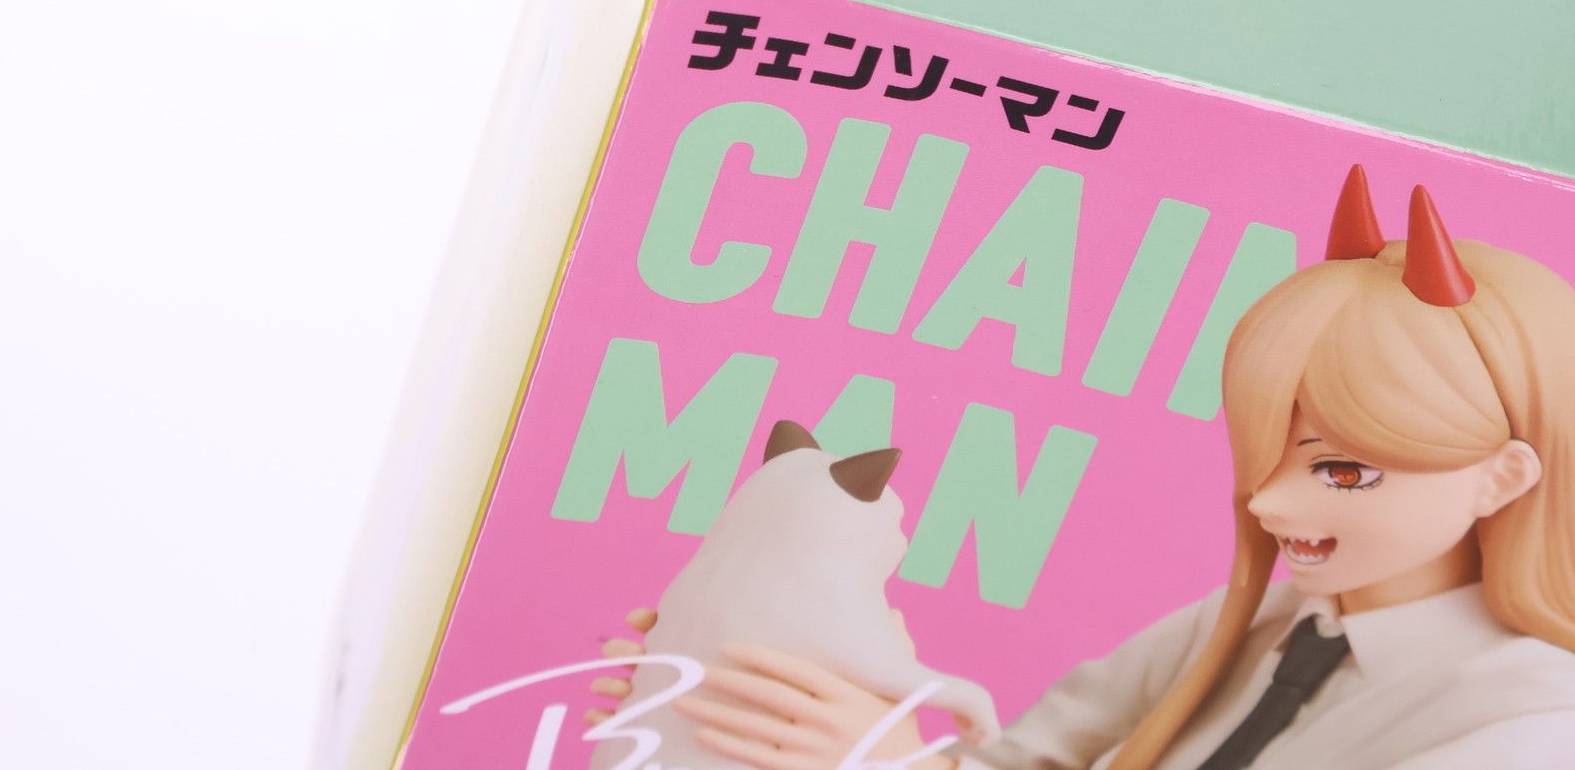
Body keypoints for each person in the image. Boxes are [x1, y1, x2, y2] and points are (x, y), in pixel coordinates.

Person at [592, 166, 1575, 769]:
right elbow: (1018, 760)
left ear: (1505, 475)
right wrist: (794, 702)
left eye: (1343, 470)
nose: (1270, 499)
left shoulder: (1532, 724)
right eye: (1264, 446)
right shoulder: (1254, 623)